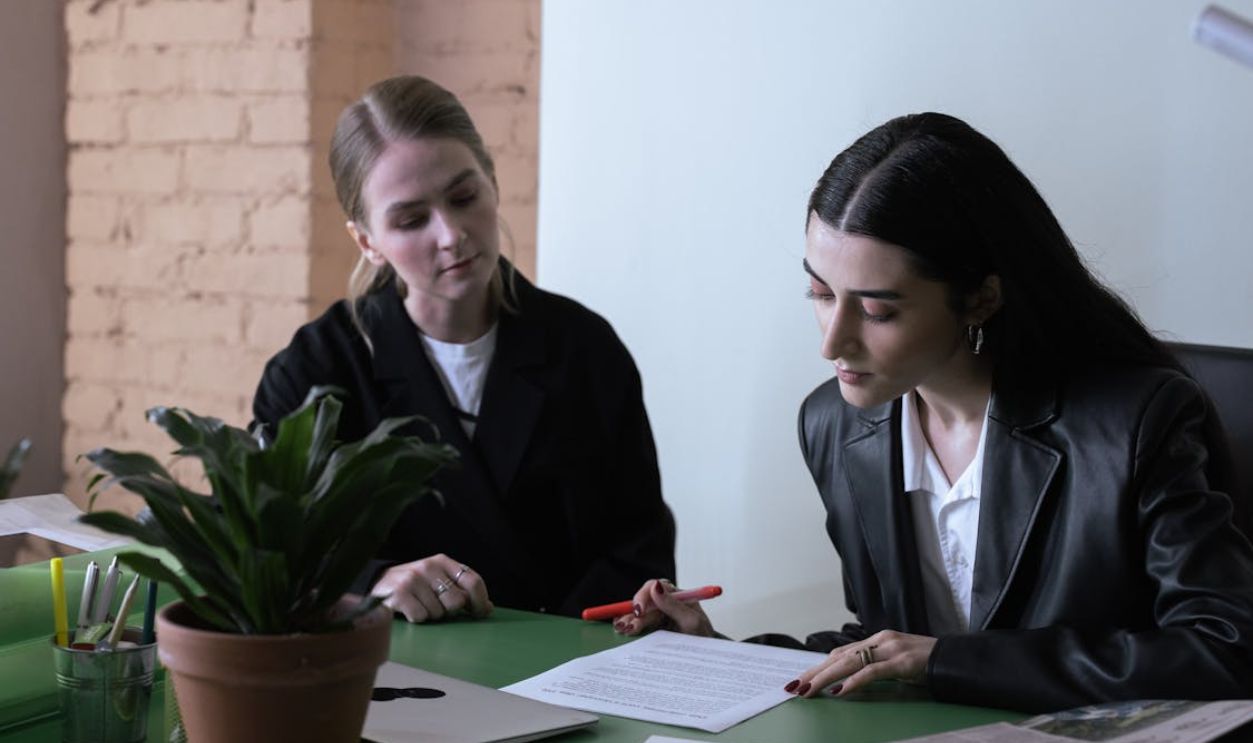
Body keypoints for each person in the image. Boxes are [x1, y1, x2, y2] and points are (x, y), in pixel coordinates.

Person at [616, 113, 1253, 712]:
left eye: (877, 311)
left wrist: (951, 662)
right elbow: (887, 643)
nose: (831, 342)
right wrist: (714, 654)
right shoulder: (835, 425)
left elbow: (1226, 653)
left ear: (980, 298)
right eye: (819, 292)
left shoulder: (1137, 422)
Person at [252, 75, 676, 623]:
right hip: (380, 679)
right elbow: (268, 549)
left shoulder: (584, 350)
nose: (451, 234)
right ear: (367, 241)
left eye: (464, 197)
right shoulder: (316, 369)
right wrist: (373, 580)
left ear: (493, 182)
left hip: (567, 670)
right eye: (411, 220)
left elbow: (638, 546)